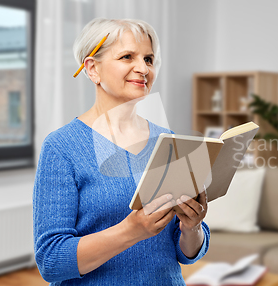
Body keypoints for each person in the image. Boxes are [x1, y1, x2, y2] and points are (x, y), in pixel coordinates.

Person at [33, 17, 210, 285]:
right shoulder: (61, 147)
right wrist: (131, 231)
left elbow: (186, 254)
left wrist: (191, 226)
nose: (143, 68)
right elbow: (51, 261)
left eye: (149, 60)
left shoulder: (168, 140)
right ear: (93, 69)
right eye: (127, 57)